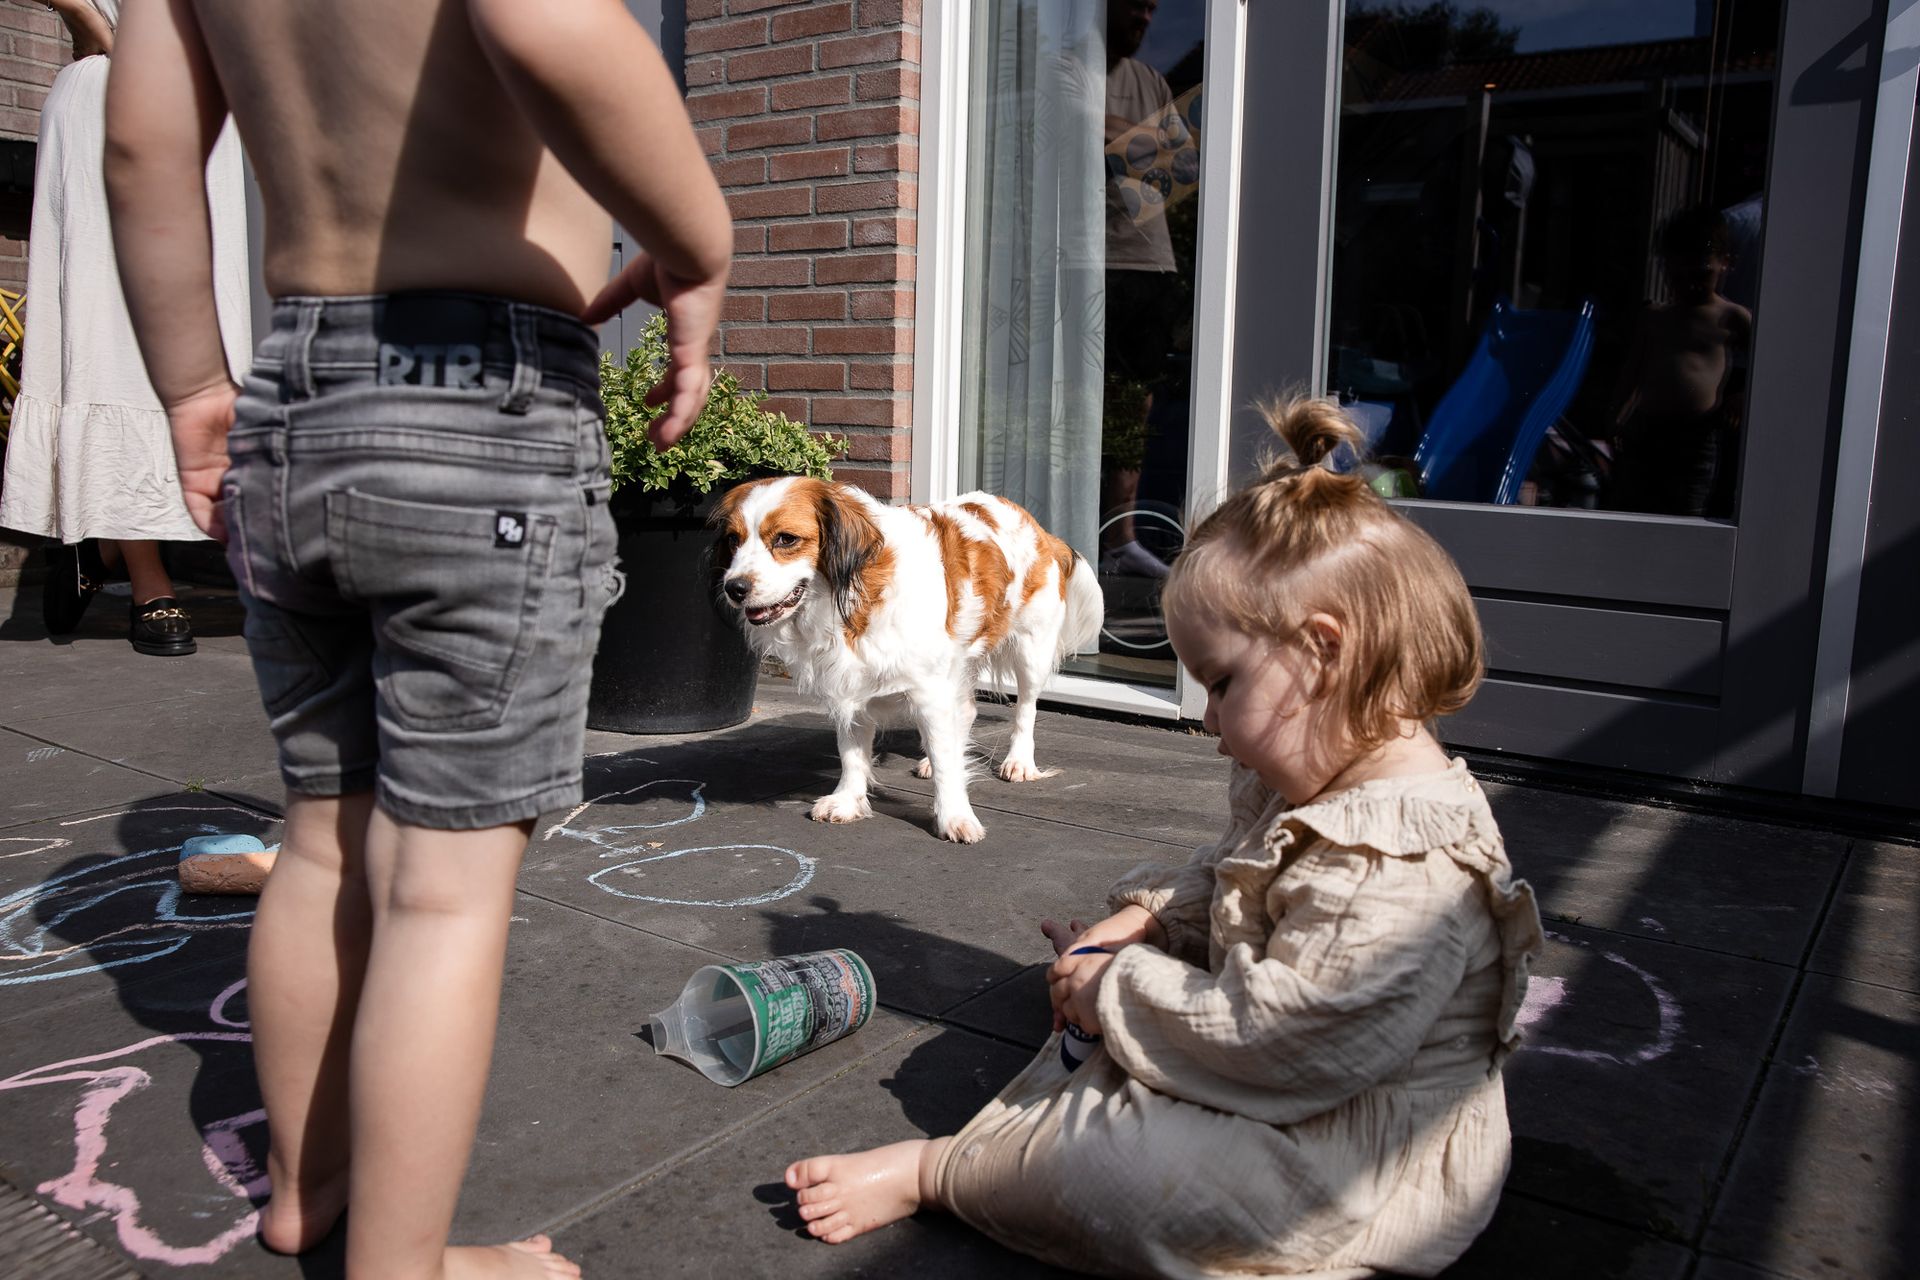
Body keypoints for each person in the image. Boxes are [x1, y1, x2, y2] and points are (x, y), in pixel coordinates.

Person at [101, 2, 730, 1278]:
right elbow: (545, 25)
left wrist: (189, 385)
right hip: (479, 402)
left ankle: (305, 1183)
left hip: (295, 391)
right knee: (442, 893)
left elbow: (141, 147)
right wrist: (697, 242)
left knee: (323, 842)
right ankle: (408, 1263)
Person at [785, 398, 1544, 1278]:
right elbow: (1232, 871)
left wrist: (1120, 993)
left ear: (1324, 651)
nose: (1212, 722)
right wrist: (1149, 926)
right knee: (1117, 1041)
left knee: (1124, 1167)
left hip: (1359, 1160)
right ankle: (1105, 1073)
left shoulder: (1404, 862)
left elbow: (1285, 1045)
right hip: (1292, 1073)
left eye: (1221, 685)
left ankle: (943, 1173)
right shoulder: (1310, 765)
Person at [0, 0, 251, 656]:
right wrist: (95, 27)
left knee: (199, 332)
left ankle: (104, 541)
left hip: (210, 113)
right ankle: (146, 574)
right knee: (113, 334)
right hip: (114, 91)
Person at [1606, 206, 1752, 519]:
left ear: (1725, 264)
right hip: (1648, 427)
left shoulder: (1731, 317)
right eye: (1678, 277)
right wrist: (1617, 417)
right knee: (1634, 503)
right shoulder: (1656, 317)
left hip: (1697, 436)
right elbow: (1633, 372)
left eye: (1701, 275)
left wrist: (1742, 396)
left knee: (1688, 509)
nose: (1690, 285)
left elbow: (1766, 367)